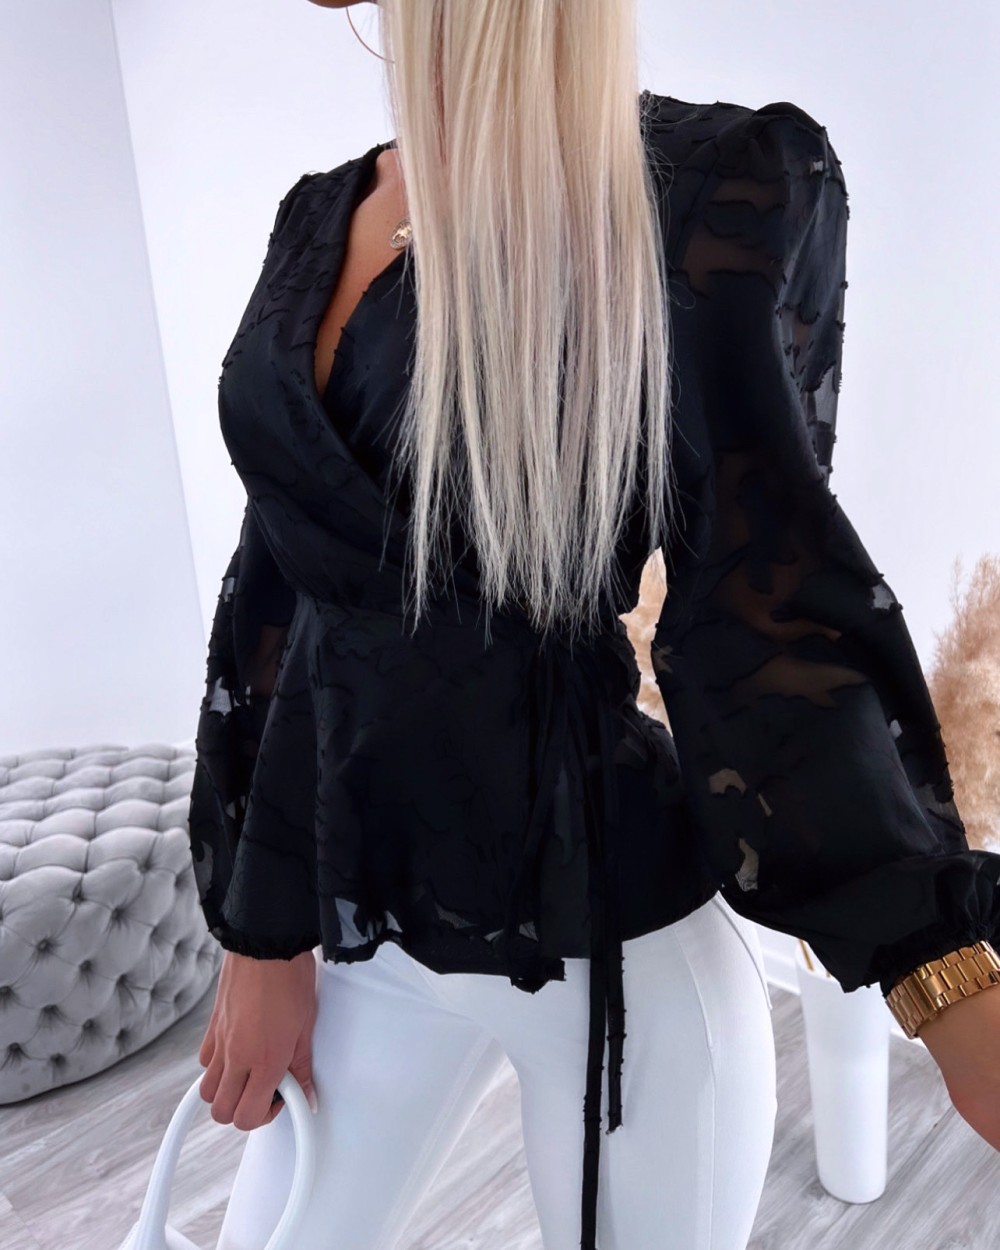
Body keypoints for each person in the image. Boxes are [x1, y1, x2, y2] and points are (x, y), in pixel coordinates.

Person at [188, 3, 1000, 1248]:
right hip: (368, 931)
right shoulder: (315, 217)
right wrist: (260, 928)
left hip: (615, 949)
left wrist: (943, 977)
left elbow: (763, 610)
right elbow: (277, 599)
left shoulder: (706, 192)